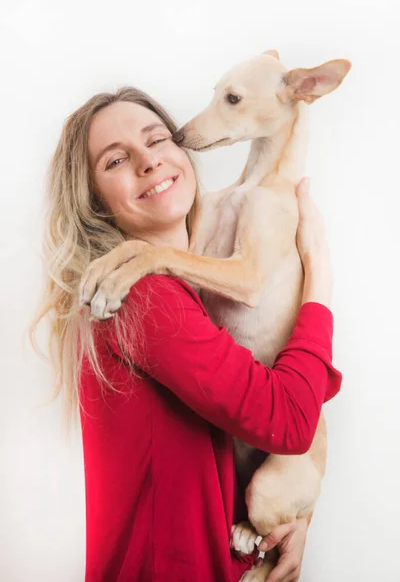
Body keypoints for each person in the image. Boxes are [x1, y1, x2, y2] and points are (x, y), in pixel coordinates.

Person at [31, 87, 342, 582]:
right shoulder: (145, 297)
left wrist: (283, 518)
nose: (149, 162)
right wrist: (319, 273)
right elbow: (291, 420)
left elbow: (242, 445)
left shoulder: (189, 295)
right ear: (94, 201)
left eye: (158, 139)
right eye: (116, 160)